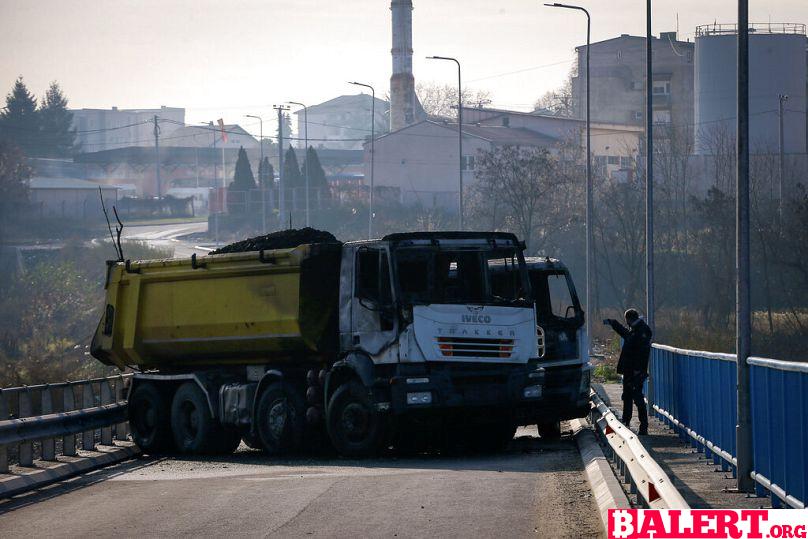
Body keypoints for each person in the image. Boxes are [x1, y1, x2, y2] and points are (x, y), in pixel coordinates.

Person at [604, 309, 652, 435]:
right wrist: (614, 324)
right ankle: (626, 421)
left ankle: (643, 426)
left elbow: (641, 352)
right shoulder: (637, 329)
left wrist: (638, 370)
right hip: (630, 370)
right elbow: (626, 335)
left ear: (629, 319)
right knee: (628, 396)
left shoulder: (641, 331)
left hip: (636, 371)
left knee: (637, 397)